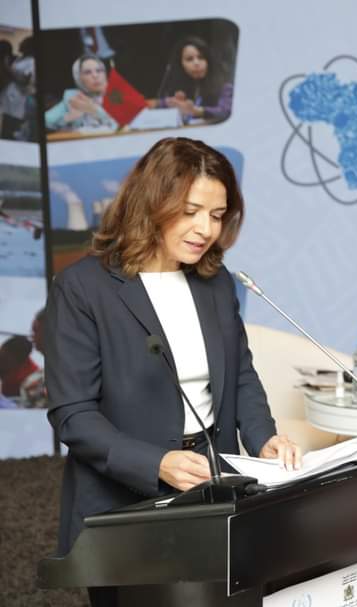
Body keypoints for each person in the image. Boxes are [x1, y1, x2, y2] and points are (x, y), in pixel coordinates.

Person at [43, 137, 301, 607]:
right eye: (190, 211)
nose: (206, 229)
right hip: (125, 499)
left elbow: (240, 374)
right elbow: (73, 414)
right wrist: (155, 462)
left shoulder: (216, 282)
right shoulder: (82, 287)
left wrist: (264, 437)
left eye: (217, 215)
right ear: (151, 202)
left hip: (215, 482)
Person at [149, 36, 233, 124]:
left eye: (201, 57)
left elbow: (225, 111)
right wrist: (163, 103)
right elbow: (161, 103)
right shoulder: (181, 88)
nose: (196, 63)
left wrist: (198, 111)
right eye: (189, 59)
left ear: (208, 61)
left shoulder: (225, 87)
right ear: (181, 65)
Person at [44, 54, 117, 133]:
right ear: (79, 78)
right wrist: (67, 118)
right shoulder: (74, 97)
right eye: (87, 72)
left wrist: (95, 110)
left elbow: (122, 123)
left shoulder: (116, 94)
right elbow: (46, 121)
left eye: (99, 71)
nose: (95, 75)